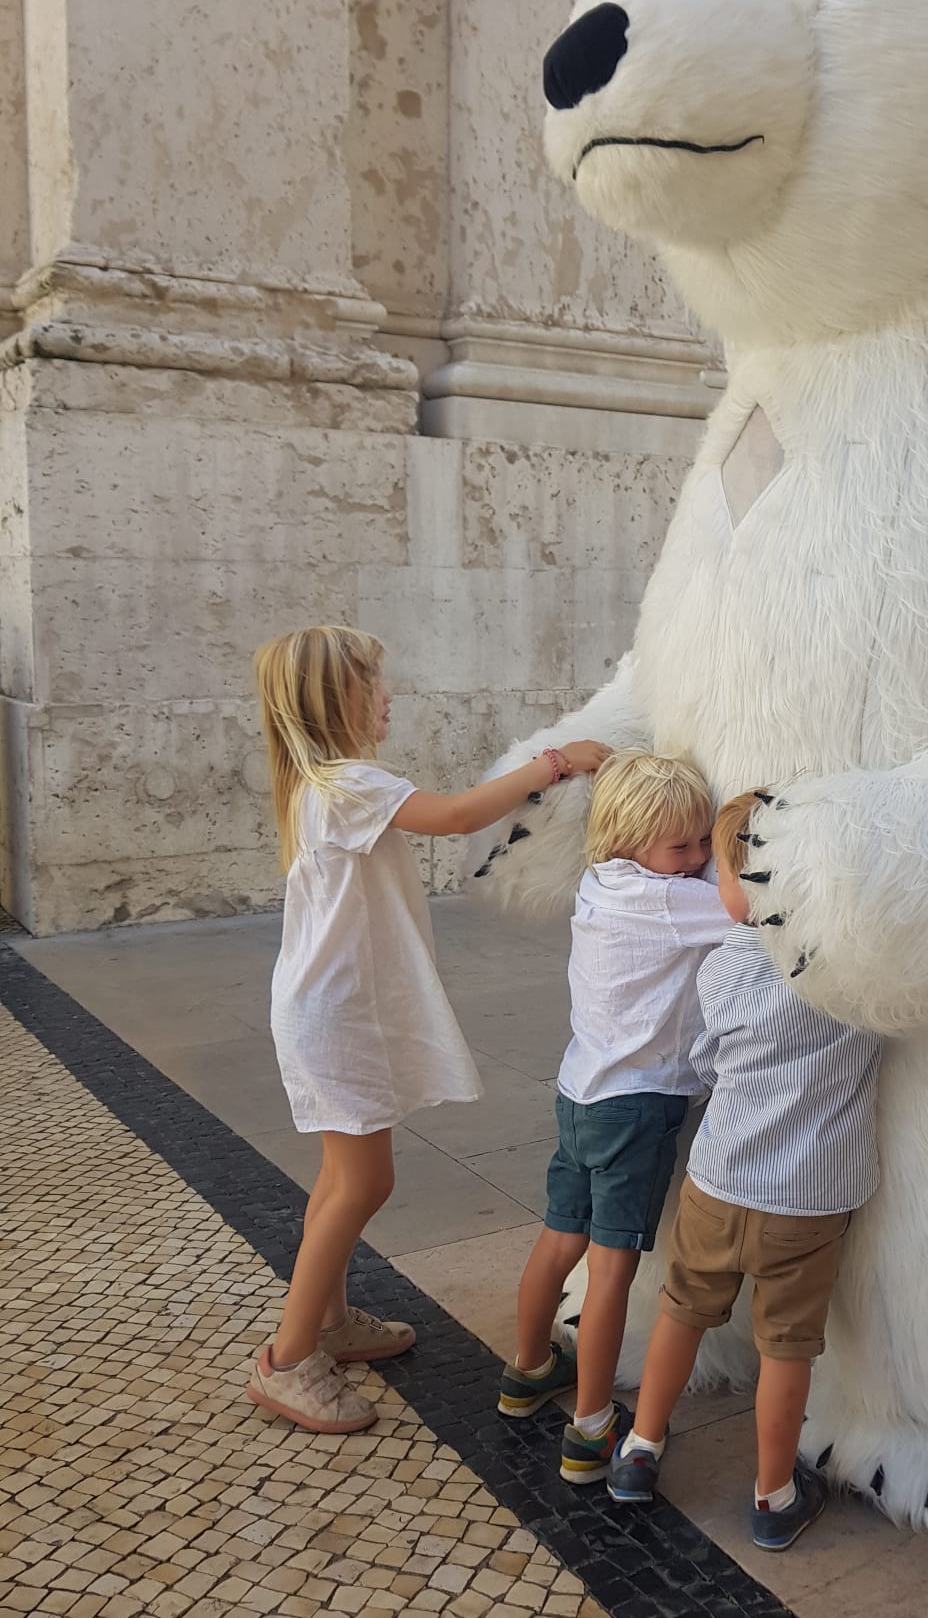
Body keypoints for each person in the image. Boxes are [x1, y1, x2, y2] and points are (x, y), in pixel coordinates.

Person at [246, 623, 609, 1435]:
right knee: (363, 1182)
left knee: (343, 1179)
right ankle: (288, 1358)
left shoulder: (322, 786)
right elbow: (451, 816)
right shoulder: (350, 784)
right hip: (335, 1016)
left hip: (328, 1010)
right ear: (335, 699)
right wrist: (555, 763)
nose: (389, 697)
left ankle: (329, 1322)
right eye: (375, 684)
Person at [607, 790, 883, 1550]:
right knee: (786, 1346)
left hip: (718, 1184)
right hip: (809, 1200)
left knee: (682, 1310)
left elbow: (706, 1061)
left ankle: (641, 1448)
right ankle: (772, 1494)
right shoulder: (845, 979)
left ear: (739, 887)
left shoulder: (723, 968)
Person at [496, 753, 729, 1484]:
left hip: (579, 1092)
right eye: (683, 847)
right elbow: (745, 908)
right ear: (631, 840)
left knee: (558, 1238)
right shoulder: (673, 900)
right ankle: (591, 1427)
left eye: (702, 843)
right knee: (611, 1269)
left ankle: (528, 1368)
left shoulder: (603, 881)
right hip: (639, 1103)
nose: (696, 861)